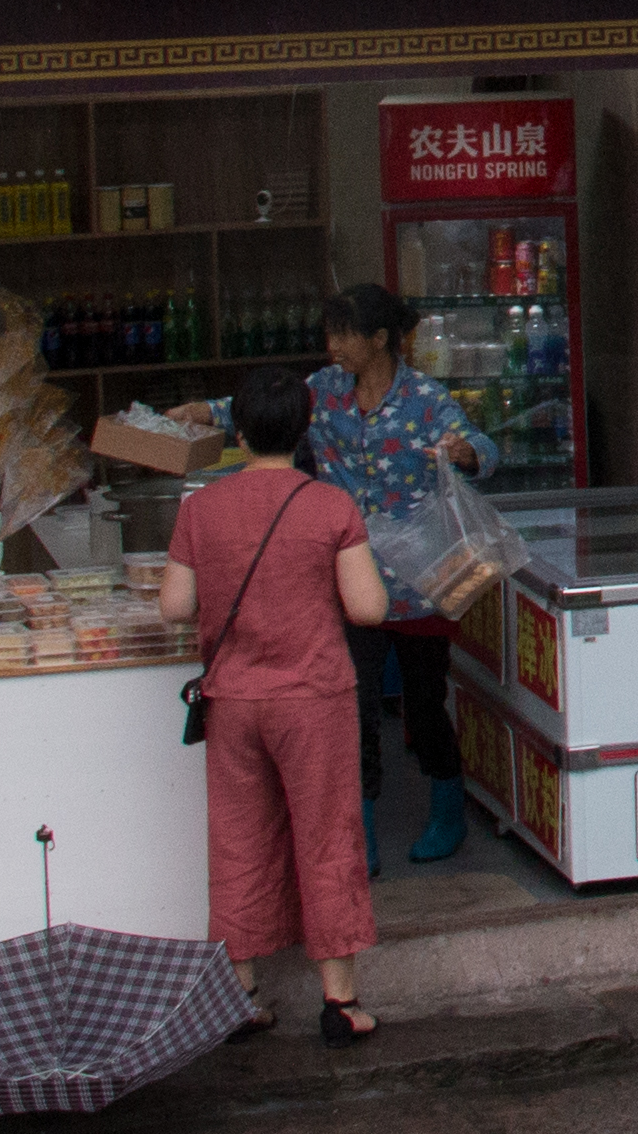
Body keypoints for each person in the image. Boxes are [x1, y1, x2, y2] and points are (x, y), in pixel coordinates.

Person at [157, 367, 391, 1042]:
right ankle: (340, 1003)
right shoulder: (330, 508)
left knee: (238, 844)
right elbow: (368, 608)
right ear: (303, 430)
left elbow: (175, 605)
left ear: (236, 432)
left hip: (233, 702)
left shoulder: (200, 509)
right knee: (327, 839)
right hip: (313, 700)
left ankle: (242, 997)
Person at [310, 285, 494, 866]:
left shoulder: (424, 398)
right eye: (330, 333)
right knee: (355, 707)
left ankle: (448, 812)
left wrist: (462, 450)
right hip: (351, 583)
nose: (333, 346)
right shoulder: (323, 393)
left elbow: (482, 447)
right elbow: (262, 408)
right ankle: (359, 830)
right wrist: (203, 413)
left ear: (380, 338)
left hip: (419, 586)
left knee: (422, 706)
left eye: (345, 334)